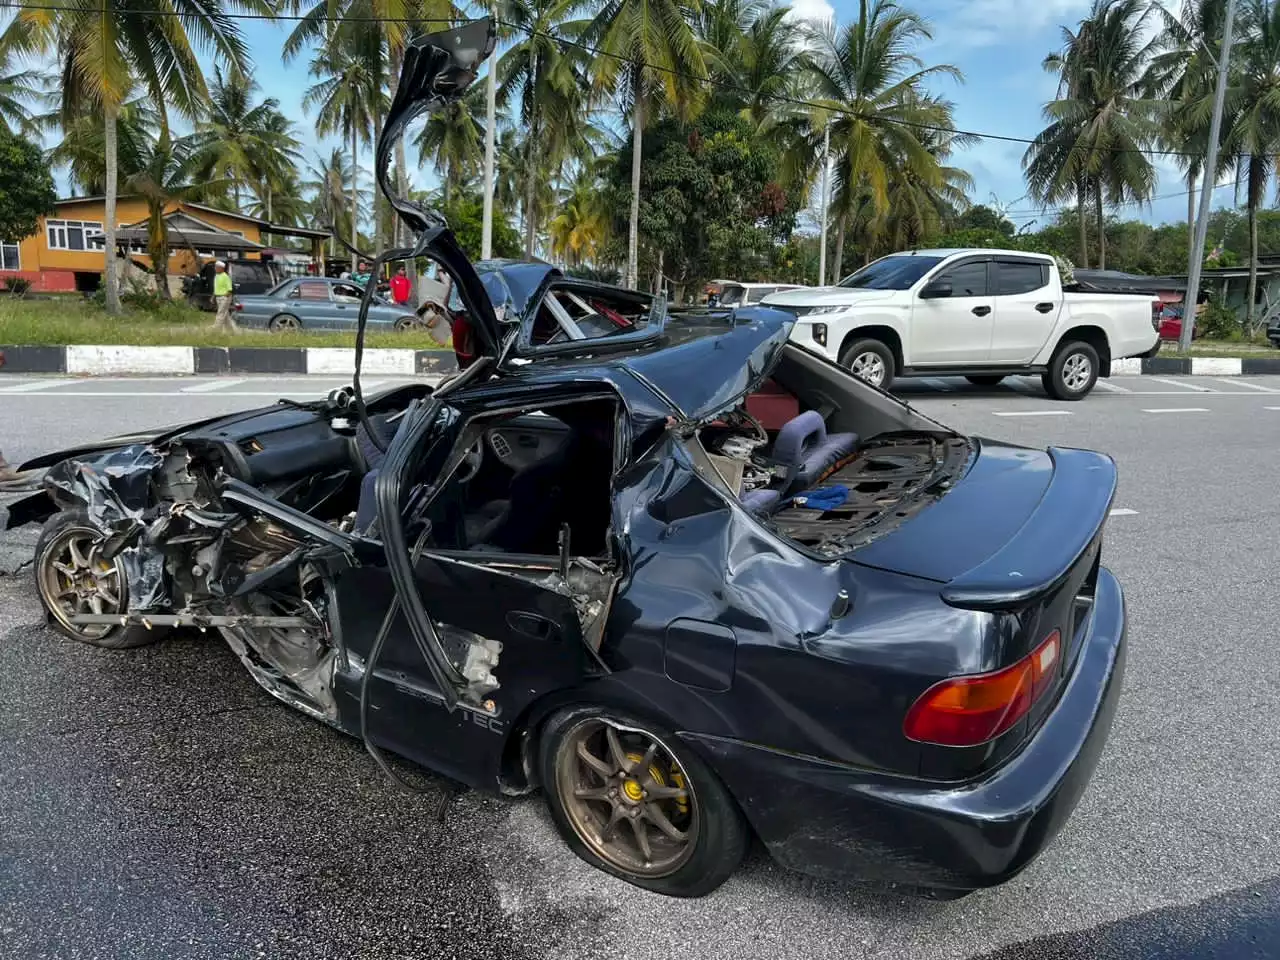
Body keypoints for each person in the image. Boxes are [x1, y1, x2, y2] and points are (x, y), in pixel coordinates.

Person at [212, 260, 236, 331]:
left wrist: (224, 297)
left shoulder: (226, 277)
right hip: (218, 297)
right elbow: (216, 287)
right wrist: (213, 297)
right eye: (215, 267)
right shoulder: (216, 276)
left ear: (221, 268)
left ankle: (216, 329)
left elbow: (230, 290)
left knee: (220, 313)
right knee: (225, 315)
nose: (215, 268)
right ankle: (231, 331)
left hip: (225, 297)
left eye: (217, 267)